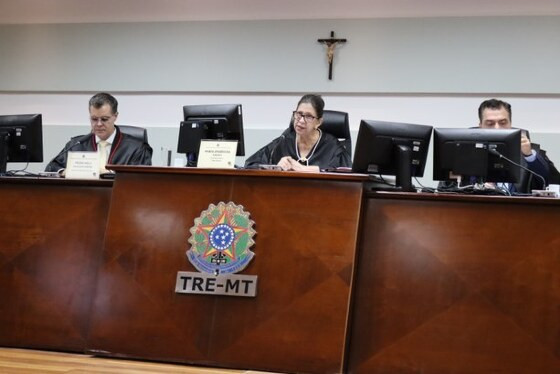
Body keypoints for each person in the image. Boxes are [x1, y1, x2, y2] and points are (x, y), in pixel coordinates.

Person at [441, 99, 559, 193]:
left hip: (521, 215)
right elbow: (444, 189)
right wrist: (474, 189)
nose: (497, 128)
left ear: (510, 124)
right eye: (490, 124)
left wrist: (529, 155)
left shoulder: (532, 154)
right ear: (480, 126)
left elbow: (554, 182)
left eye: (503, 123)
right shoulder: (463, 156)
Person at [45, 92, 152, 173]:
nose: (99, 124)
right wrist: (64, 172)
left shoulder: (136, 148)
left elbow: (140, 180)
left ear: (115, 116)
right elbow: (51, 168)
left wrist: (110, 174)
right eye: (94, 119)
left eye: (104, 119)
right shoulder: (77, 145)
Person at [244, 94, 351, 171]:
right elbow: (251, 165)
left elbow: (345, 172)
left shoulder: (332, 147)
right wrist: (276, 168)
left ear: (318, 122)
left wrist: (305, 169)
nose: (301, 121)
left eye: (308, 116)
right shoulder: (283, 142)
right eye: (299, 114)